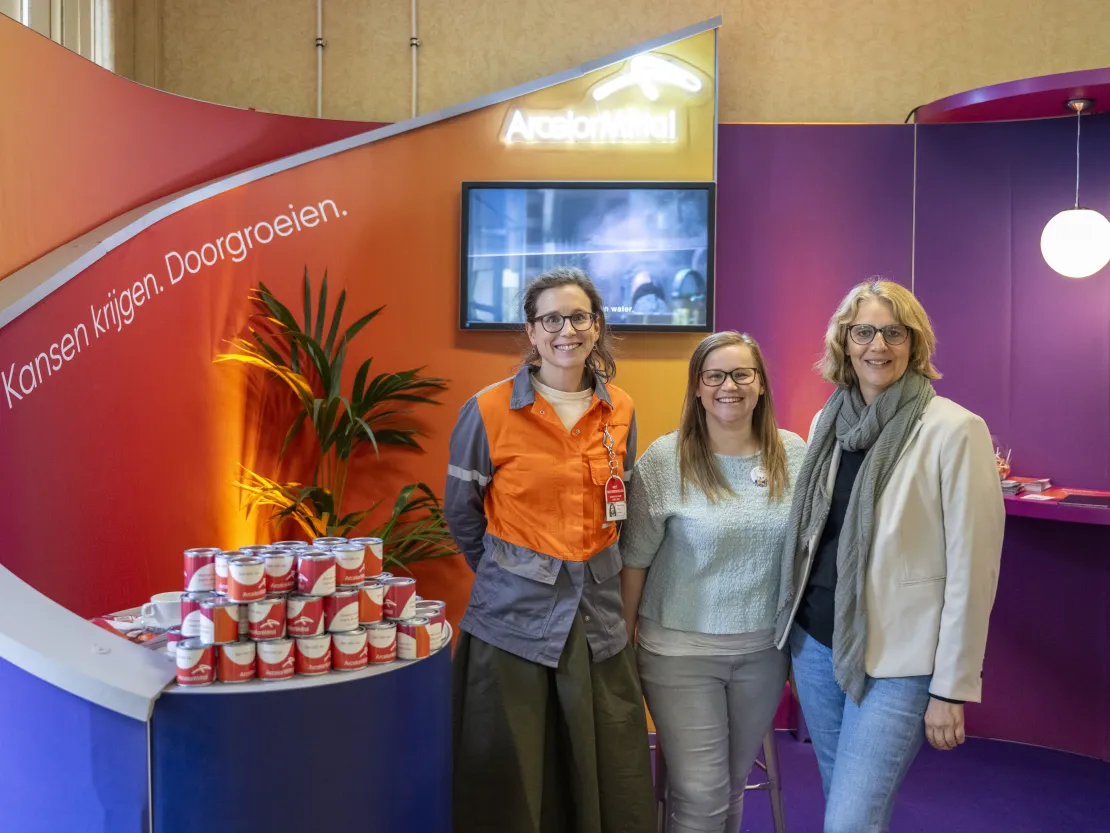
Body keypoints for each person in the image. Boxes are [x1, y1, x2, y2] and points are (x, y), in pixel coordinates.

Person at [775, 279, 1005, 833]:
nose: (878, 345)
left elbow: (974, 572)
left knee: (851, 820)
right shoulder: (828, 422)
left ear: (914, 343)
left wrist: (952, 687)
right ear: (844, 343)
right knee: (844, 801)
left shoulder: (955, 429)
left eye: (893, 332)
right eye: (864, 332)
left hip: (900, 661)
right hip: (816, 643)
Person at [446, 266, 656, 833]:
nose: (568, 330)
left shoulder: (622, 410)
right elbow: (462, 515)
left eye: (580, 316)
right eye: (552, 319)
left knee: (609, 767)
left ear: (597, 326)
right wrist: (515, 574)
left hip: (598, 620)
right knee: (511, 771)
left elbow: (624, 502)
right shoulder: (488, 411)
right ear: (532, 331)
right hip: (511, 622)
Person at [621, 331, 806, 833]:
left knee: (729, 786)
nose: (730, 386)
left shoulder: (794, 454)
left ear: (761, 384)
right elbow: (633, 560)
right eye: (715, 376)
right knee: (701, 793)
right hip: (679, 653)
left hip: (763, 653)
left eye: (742, 373)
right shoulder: (666, 459)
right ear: (698, 388)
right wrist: (622, 643)